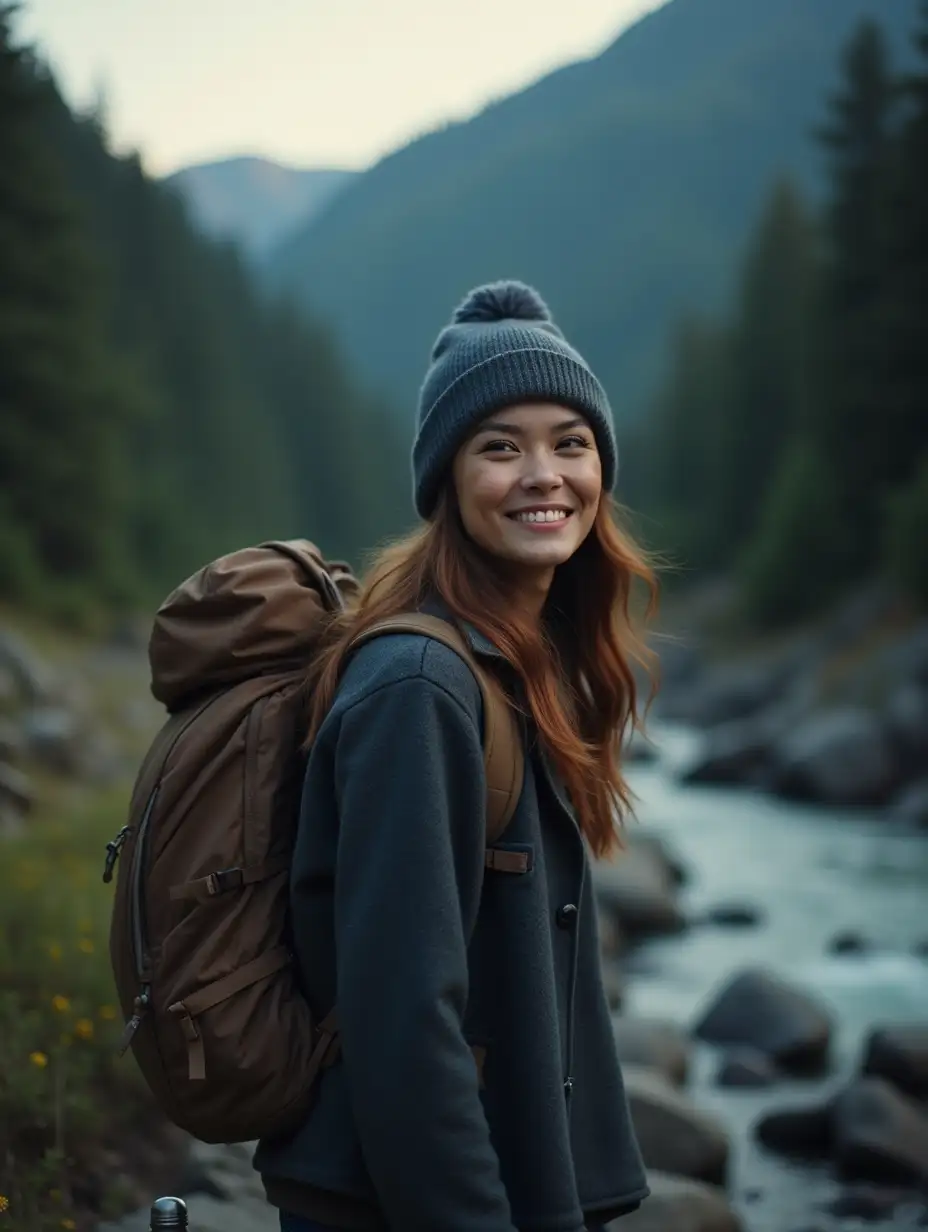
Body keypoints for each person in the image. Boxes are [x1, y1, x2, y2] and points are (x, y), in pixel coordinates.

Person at [255, 279, 658, 1231]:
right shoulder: (420, 690)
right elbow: (404, 1022)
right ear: (446, 479)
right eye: (499, 447)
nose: (544, 474)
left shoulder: (524, 664)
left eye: (570, 442)